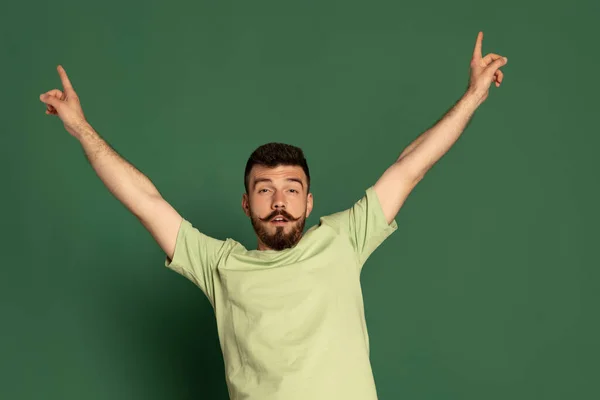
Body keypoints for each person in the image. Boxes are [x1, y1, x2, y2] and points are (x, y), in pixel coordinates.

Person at [40, 31, 507, 400]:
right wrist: (80, 128)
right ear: (246, 204)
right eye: (264, 190)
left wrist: (472, 97)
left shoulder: (344, 237)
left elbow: (410, 167)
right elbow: (145, 201)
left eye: (291, 189)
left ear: (309, 202)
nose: (278, 200)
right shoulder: (220, 265)